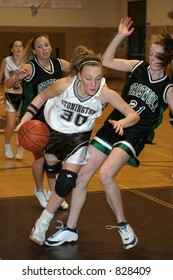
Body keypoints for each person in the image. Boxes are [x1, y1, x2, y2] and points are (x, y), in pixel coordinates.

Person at [32, 17, 173, 250]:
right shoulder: (137, 67)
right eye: (150, 52)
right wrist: (119, 35)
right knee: (80, 178)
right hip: (112, 126)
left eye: (156, 55)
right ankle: (71, 229)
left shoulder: (168, 88)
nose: (151, 57)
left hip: (133, 134)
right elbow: (106, 61)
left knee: (106, 175)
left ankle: (123, 224)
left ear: (166, 59)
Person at [17, 44, 139, 246]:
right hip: (53, 132)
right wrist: (25, 120)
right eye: (89, 78)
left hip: (78, 138)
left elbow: (133, 115)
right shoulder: (64, 85)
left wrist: (123, 122)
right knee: (52, 169)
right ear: (79, 76)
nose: (93, 83)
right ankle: (53, 198)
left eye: (98, 78)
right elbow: (41, 97)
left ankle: (42, 223)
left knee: (66, 181)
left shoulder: (104, 93)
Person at [5, 34, 70, 209]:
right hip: (32, 118)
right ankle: (40, 190)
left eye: (46, 45)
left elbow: (80, 69)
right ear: (34, 51)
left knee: (53, 158)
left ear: (50, 46)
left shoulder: (59, 64)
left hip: (52, 117)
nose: (44, 49)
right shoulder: (29, 67)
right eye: (39, 46)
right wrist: (16, 77)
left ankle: (53, 193)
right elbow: (7, 84)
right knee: (41, 159)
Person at [0, 39, 24, 160]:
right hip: (11, 95)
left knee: (21, 124)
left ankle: (20, 147)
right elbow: (0, 77)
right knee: (10, 124)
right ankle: (7, 144)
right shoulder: (6, 61)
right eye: (16, 46)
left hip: (23, 95)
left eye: (20, 46)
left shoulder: (27, 62)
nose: (18, 48)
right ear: (11, 49)